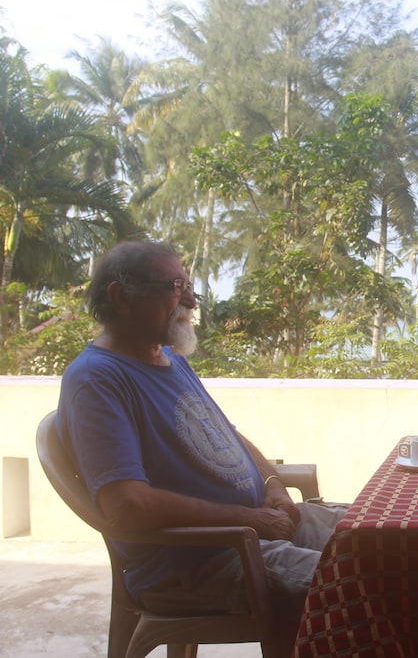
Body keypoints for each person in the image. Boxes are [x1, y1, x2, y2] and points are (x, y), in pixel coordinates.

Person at [56, 239, 348, 654]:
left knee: (383, 538)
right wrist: (251, 520)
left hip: (255, 529)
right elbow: (128, 505)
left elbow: (229, 435)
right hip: (197, 561)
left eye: (188, 286)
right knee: (361, 585)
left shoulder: (172, 360)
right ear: (121, 298)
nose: (191, 301)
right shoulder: (96, 380)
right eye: (175, 287)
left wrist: (273, 485)